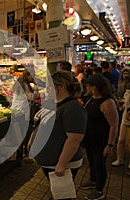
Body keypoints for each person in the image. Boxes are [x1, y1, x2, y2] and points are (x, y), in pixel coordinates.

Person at [27, 71, 87, 200]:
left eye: (50, 86)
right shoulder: (53, 102)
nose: (47, 89)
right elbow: (40, 123)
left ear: (60, 87)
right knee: (57, 193)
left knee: (62, 195)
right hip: (49, 162)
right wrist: (32, 139)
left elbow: (74, 139)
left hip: (60, 164)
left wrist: (61, 163)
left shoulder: (73, 108)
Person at [79, 74, 119, 200]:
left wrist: (110, 145)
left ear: (94, 87)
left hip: (101, 141)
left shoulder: (107, 102)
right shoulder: (91, 98)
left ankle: (99, 190)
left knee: (99, 165)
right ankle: (92, 179)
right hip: (90, 138)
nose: (85, 86)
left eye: (88, 85)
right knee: (92, 161)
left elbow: (113, 125)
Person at [112, 66, 130, 167]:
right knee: (121, 139)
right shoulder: (121, 84)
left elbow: (126, 100)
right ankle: (120, 158)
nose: (126, 75)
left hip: (126, 111)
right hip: (125, 114)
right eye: (124, 73)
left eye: (127, 73)